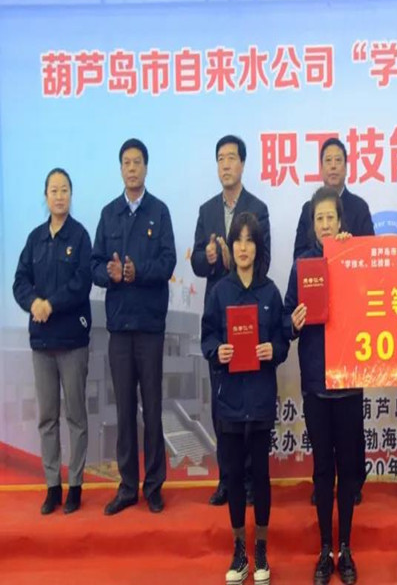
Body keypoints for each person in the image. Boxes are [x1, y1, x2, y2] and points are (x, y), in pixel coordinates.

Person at [201, 212, 288, 585]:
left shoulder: (270, 292)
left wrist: (274, 350)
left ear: (258, 247)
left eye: (250, 240)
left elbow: (283, 340)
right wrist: (216, 350)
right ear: (230, 246)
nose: (243, 247)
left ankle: (262, 549)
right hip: (230, 399)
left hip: (261, 396)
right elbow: (207, 336)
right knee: (234, 476)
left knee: (261, 476)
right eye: (238, 240)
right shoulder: (220, 291)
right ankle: (239, 550)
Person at [91, 138, 177, 515]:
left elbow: (169, 262)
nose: (131, 168)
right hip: (119, 328)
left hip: (150, 327)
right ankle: (127, 486)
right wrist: (109, 274)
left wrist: (137, 271)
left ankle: (154, 486)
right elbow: (94, 265)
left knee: (152, 408)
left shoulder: (159, 211)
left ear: (146, 167)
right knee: (124, 410)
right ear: (121, 169)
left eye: (137, 162)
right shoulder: (109, 213)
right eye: (126, 162)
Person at [285, 187, 362, 585]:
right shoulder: (302, 266)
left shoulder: (354, 258)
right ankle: (324, 549)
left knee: (348, 470)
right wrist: (294, 322)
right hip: (316, 382)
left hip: (349, 381)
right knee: (322, 470)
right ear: (312, 225)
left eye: (331, 217)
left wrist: (352, 255)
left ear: (340, 221)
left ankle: (345, 547)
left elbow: (372, 306)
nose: (326, 224)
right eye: (319, 218)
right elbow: (286, 320)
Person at [292, 136, 373, 507]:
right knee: (322, 434)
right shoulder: (307, 215)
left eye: (339, 159)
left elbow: (370, 264)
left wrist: (347, 251)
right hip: (316, 346)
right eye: (328, 159)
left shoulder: (360, 209)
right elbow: (301, 263)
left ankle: (353, 482)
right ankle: (323, 484)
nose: (325, 223)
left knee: (350, 427)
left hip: (350, 343)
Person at [191, 134, 271, 506]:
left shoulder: (258, 208)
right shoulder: (207, 210)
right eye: (220, 158)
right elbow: (195, 263)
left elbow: (264, 261)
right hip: (220, 315)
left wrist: (237, 263)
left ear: (243, 164)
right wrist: (209, 257)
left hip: (252, 313)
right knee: (223, 402)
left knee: (251, 401)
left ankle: (252, 480)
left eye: (232, 158)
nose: (225, 164)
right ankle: (227, 479)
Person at [13, 168, 92, 515]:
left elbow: (82, 283)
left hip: (72, 340)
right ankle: (52, 486)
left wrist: (51, 304)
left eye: (64, 190)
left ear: (71, 195)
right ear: (45, 196)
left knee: (76, 416)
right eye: (53, 190)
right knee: (47, 417)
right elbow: (19, 281)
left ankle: (75, 485)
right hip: (42, 342)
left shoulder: (81, 236)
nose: (59, 196)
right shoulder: (35, 239)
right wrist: (33, 303)